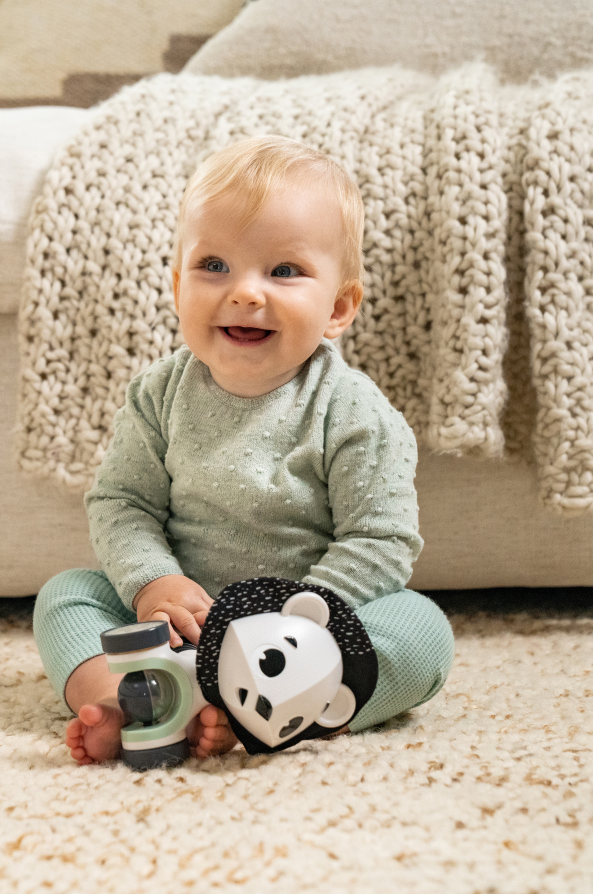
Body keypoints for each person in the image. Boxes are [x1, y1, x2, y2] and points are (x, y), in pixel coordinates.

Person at [33, 135, 455, 765]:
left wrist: (296, 621)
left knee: (421, 629)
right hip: (181, 627)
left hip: (300, 638)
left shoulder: (355, 411)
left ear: (338, 307)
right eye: (214, 266)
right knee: (67, 594)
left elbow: (381, 540)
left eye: (284, 271)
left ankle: (287, 710)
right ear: (178, 286)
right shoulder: (159, 393)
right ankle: (127, 698)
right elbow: (123, 503)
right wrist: (154, 583)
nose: (245, 292)